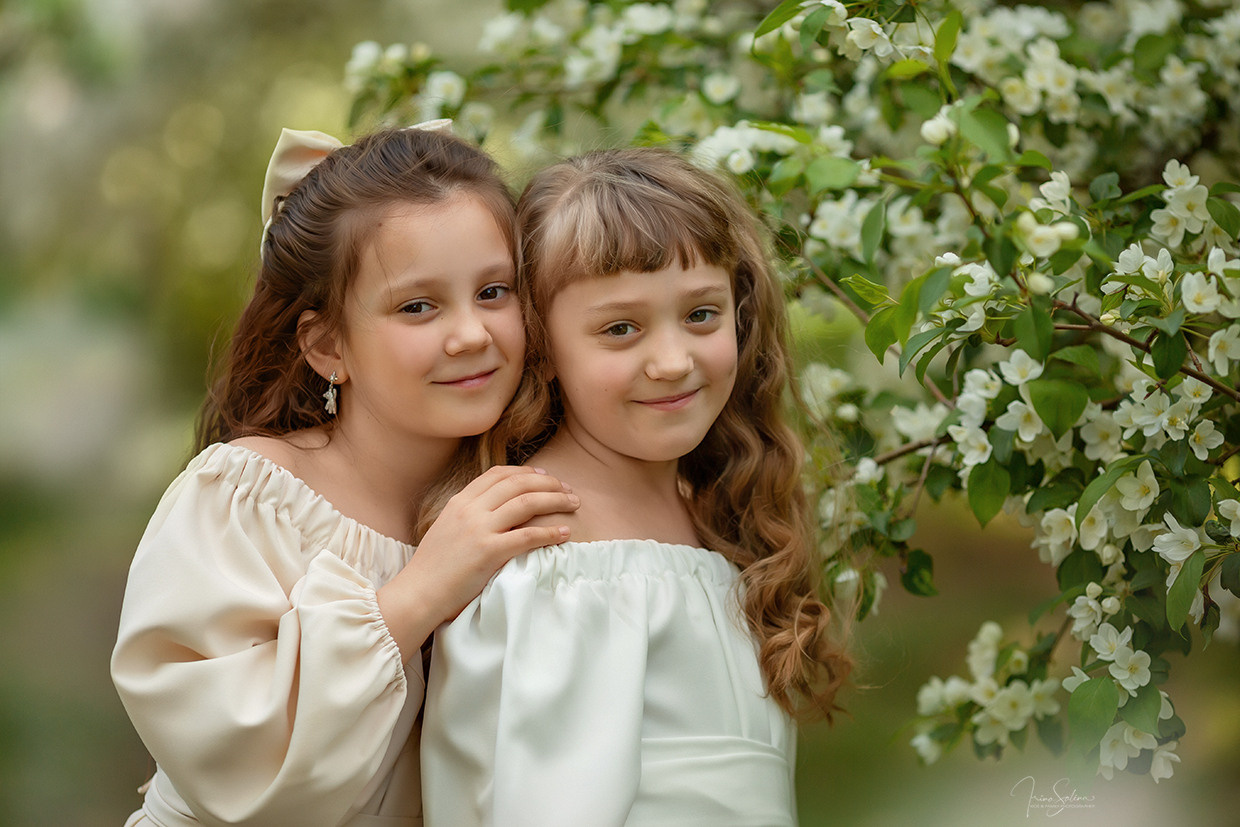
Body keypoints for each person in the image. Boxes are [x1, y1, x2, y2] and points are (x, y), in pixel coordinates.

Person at [110, 123, 579, 826]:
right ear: (328, 345)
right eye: (417, 305)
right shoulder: (249, 494)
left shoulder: (521, 490)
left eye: (494, 291)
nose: (472, 334)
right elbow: (233, 760)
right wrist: (418, 592)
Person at [420, 147, 852, 826]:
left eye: (702, 315)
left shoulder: (708, 512)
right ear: (542, 346)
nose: (674, 360)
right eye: (621, 328)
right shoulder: (554, 550)